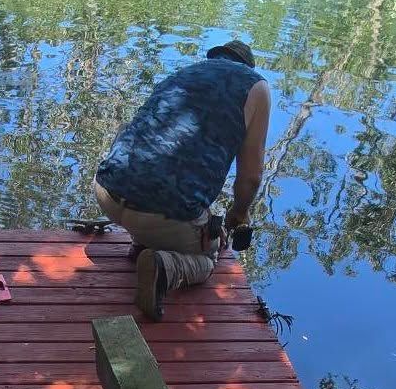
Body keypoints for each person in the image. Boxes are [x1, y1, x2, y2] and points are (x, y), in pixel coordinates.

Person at [93, 38, 271, 320]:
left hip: (106, 190)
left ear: (216, 58)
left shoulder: (184, 73)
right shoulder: (256, 87)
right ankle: (164, 266)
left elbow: (130, 131)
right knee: (209, 256)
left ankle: (142, 242)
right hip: (159, 216)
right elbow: (251, 177)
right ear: (247, 66)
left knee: (167, 192)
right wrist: (238, 213)